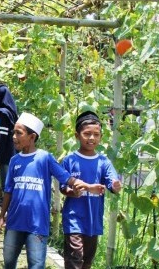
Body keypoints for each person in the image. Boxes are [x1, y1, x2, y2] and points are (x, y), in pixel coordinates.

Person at [0, 112, 104, 269]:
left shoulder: (45, 158)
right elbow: (8, 191)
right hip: (14, 221)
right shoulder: (14, 161)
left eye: (18, 133)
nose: (14, 137)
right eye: (14, 132)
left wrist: (87, 187)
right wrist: (1, 215)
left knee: (36, 264)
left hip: (37, 224)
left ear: (32, 137)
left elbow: (66, 177)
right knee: (9, 261)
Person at [61, 111, 122, 269]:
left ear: (101, 136)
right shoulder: (69, 160)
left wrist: (115, 186)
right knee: (75, 258)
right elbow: (63, 187)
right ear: (77, 135)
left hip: (93, 220)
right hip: (73, 219)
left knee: (87, 261)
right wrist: (72, 191)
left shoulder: (104, 162)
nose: (92, 138)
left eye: (96, 134)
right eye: (87, 134)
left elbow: (111, 182)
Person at [0, 84, 18, 193]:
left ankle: (7, 208)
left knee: (7, 185)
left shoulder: (4, 114)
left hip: (6, 154)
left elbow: (3, 137)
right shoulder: (12, 111)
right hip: (14, 151)